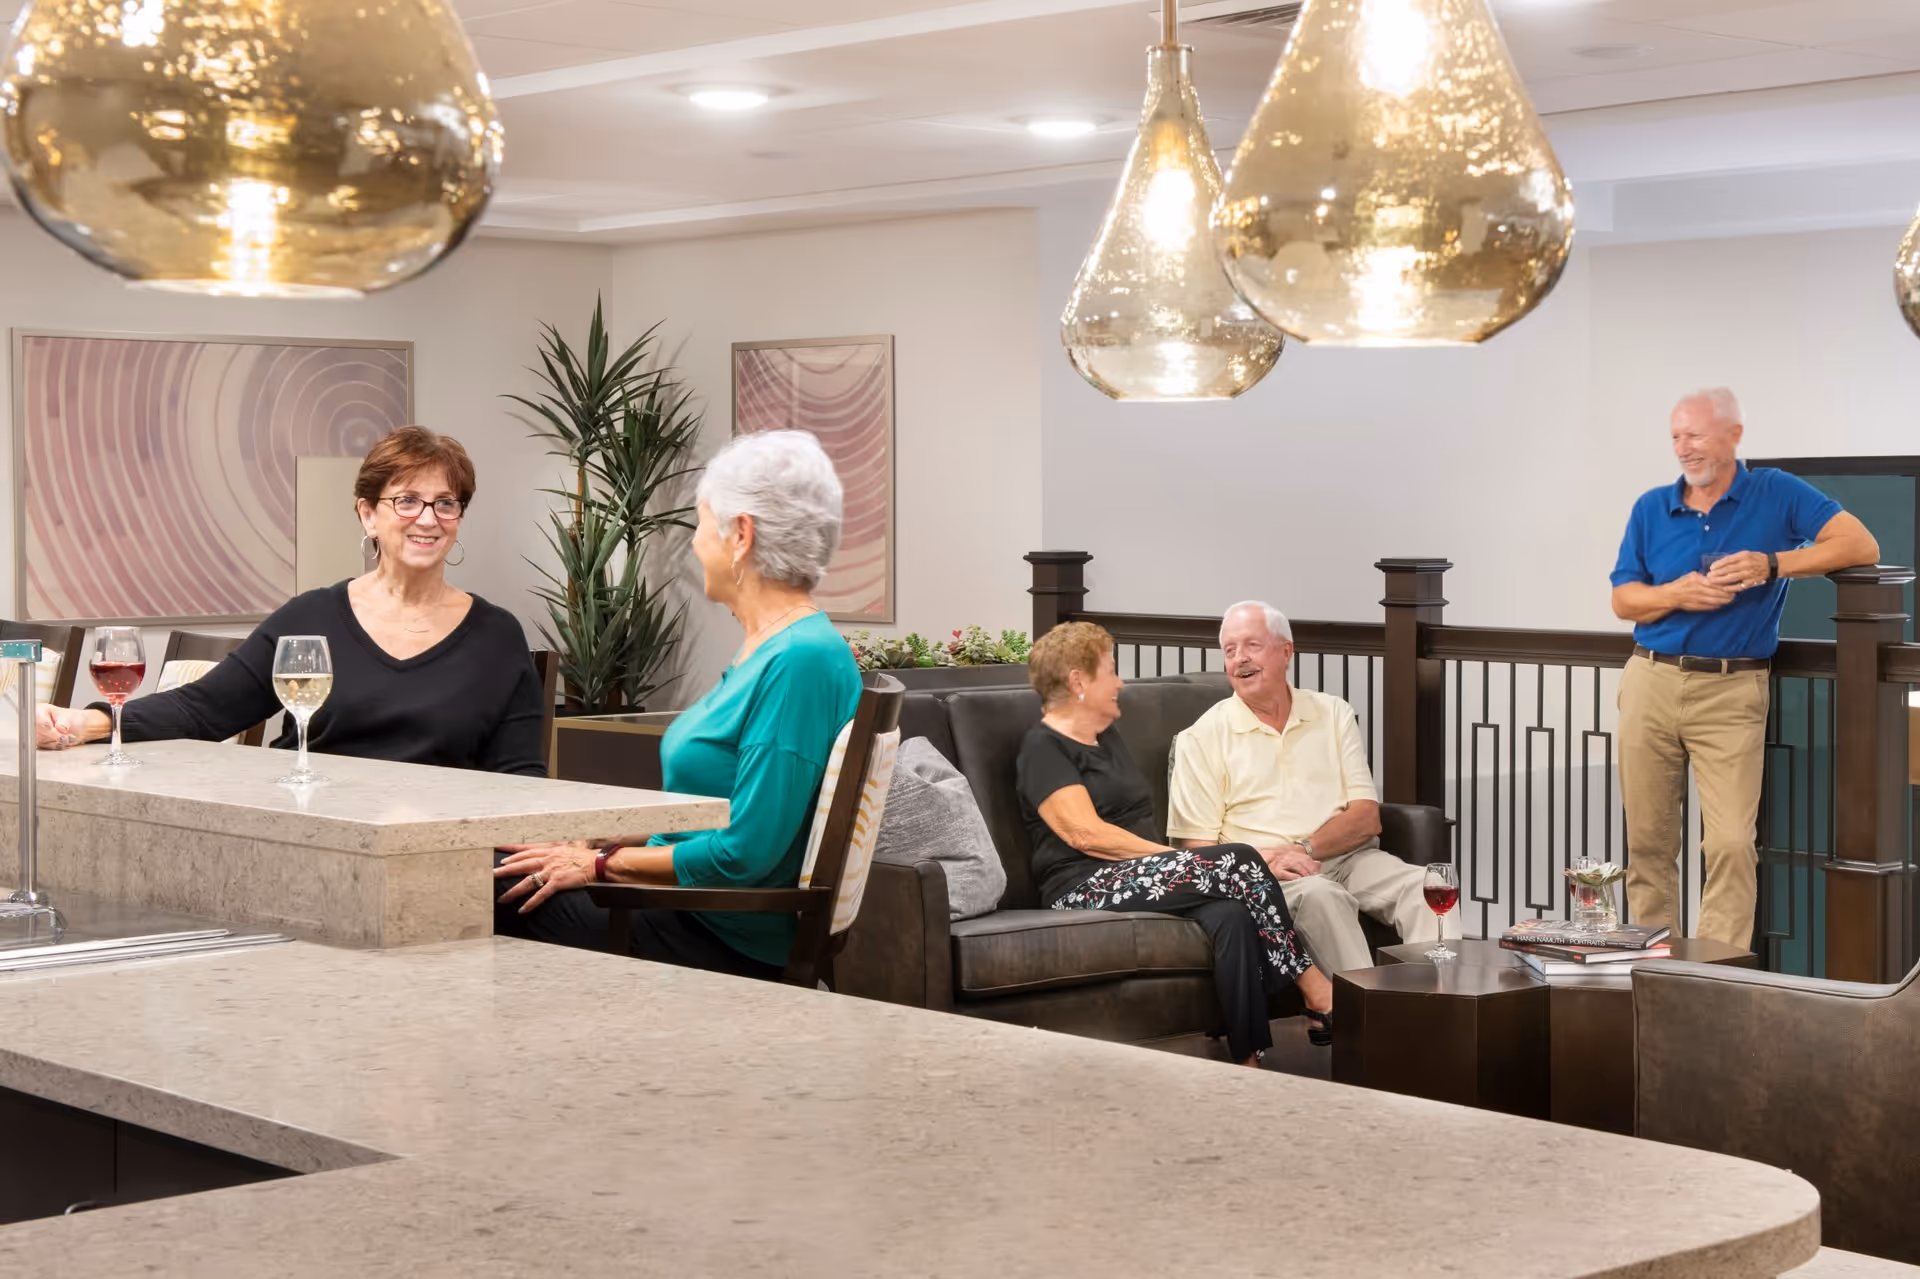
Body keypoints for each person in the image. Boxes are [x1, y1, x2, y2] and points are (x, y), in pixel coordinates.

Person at [494, 430, 861, 979]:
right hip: (677, 906)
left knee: (478, 884)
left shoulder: (797, 661)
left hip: (711, 936)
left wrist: (598, 865)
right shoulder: (780, 646)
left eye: (699, 522)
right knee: (500, 860)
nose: (694, 543)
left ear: (741, 534)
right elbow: (720, 809)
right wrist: (604, 839)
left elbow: (746, 854)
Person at [36, 426, 547, 775]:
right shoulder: (312, 617)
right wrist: (92, 721)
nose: (428, 518)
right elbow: (204, 711)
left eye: (446, 503)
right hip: (314, 831)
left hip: (435, 851)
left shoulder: (497, 635)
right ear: (368, 514)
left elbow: (521, 775)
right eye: (406, 500)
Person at [1611, 388, 1878, 948]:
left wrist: (1773, 563)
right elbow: (1624, 600)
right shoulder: (1650, 507)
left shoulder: (1776, 492)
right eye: (1676, 437)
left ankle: (1713, 980)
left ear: (1733, 435)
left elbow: (1860, 544)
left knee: (1731, 842)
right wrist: (1676, 594)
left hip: (1733, 690)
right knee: (1649, 844)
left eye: (1697, 435)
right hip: (1650, 680)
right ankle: (1652, 969)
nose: (1684, 448)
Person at [1014, 621, 1331, 1065]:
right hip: (1080, 886)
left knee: (1231, 914)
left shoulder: (1105, 735)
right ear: (1078, 681)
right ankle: (1315, 988)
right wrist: (1186, 860)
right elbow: (1086, 834)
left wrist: (1187, 866)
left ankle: (1248, 1059)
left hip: (1138, 876)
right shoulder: (1043, 748)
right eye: (1110, 671)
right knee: (1238, 860)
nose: (1120, 682)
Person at [1167, 602, 1457, 973]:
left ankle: (1442, 1009)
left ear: (1286, 651)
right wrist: (1270, 860)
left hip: (1350, 859)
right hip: (1270, 872)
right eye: (1230, 650)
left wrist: (1303, 848)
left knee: (1423, 887)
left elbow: (1366, 818)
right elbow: (1197, 848)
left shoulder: (1332, 713)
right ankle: (1369, 1019)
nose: (1240, 659)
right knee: (1323, 895)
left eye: (1252, 646)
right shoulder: (1201, 738)